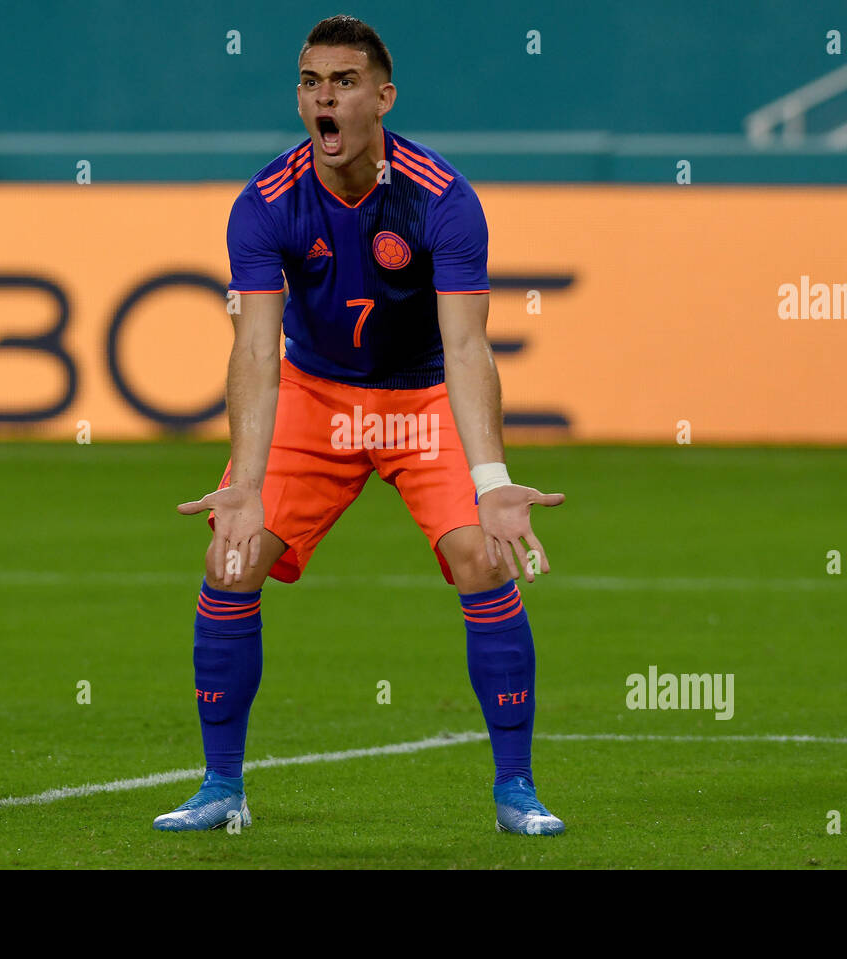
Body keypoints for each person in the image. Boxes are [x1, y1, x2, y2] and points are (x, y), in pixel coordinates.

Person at [154, 15, 565, 836]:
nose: (322, 97)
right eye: (309, 82)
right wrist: (242, 479)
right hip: (318, 396)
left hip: (420, 401)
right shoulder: (265, 203)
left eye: (342, 82)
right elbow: (255, 352)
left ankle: (515, 789)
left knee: (485, 557)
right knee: (229, 560)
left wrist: (490, 481)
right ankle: (221, 786)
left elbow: (466, 347)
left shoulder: (442, 199)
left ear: (383, 96)